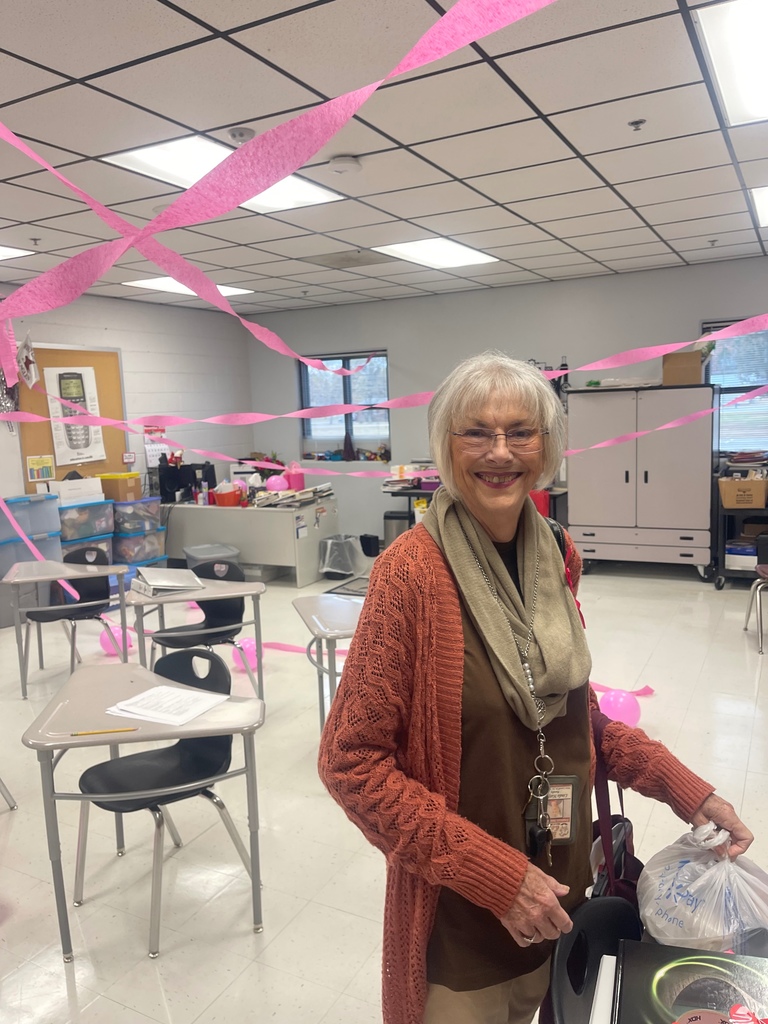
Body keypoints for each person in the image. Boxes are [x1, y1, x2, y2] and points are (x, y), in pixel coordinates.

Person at [318, 351, 752, 1024]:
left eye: (521, 431)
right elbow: (351, 765)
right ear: (446, 445)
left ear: (547, 446)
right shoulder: (409, 575)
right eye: (476, 432)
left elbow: (573, 722)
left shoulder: (556, 553)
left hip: (563, 895)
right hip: (464, 919)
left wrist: (685, 789)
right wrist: (496, 877)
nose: (500, 452)